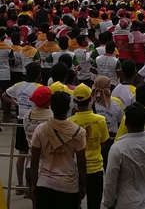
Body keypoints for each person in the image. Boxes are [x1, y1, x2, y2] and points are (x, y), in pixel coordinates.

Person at [103, 103, 145, 209]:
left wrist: (108, 202)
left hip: (126, 203)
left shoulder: (118, 148)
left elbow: (110, 180)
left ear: (126, 123)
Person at [29, 91, 86, 209]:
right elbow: (81, 162)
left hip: (45, 183)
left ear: (51, 107)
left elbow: (34, 160)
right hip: (68, 185)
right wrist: (83, 185)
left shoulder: (41, 129)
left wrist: (34, 184)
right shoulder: (78, 132)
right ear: (68, 107)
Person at [2, 61, 41, 193]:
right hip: (34, 122)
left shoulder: (18, 86)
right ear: (39, 75)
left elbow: (4, 95)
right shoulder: (39, 88)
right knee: (32, 156)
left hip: (21, 121)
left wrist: (17, 103)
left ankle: (19, 185)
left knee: (21, 154)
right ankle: (29, 186)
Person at [69, 84, 109, 209]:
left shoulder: (70, 122)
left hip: (75, 169)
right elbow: (103, 143)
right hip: (96, 169)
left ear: (75, 101)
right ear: (90, 99)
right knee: (94, 204)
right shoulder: (101, 120)